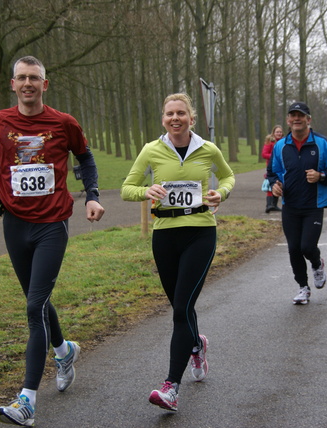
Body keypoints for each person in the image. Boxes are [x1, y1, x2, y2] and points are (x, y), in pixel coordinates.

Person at [0, 55, 105, 426]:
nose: (28, 83)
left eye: (35, 78)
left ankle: (26, 401)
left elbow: (86, 158)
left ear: (45, 84)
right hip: (14, 224)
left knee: (33, 308)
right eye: (21, 77)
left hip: (52, 224)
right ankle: (63, 352)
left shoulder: (63, 123)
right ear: (13, 84)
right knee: (36, 299)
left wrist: (91, 194)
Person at [121, 93, 235, 412]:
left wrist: (220, 193)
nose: (175, 118)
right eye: (170, 113)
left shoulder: (207, 148)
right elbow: (126, 188)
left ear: (191, 118)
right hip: (165, 236)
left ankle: (171, 386)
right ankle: (197, 345)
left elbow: (227, 176)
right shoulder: (151, 151)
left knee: (181, 307)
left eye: (181, 113)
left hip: (200, 232)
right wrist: (146, 191)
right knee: (181, 307)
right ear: (163, 119)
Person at [267, 102, 327, 305]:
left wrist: (321, 175)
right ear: (288, 120)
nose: (296, 119)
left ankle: (317, 264)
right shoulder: (280, 146)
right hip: (290, 205)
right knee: (293, 249)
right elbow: (272, 172)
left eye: (301, 116)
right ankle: (303, 287)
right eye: (293, 115)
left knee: (307, 246)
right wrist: (274, 185)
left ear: (308, 120)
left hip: (313, 205)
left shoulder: (321, 144)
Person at [261, 133, 281, 213]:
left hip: (280, 167)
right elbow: (264, 154)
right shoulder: (270, 142)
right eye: (277, 132)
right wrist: (274, 156)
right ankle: (269, 205)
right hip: (271, 166)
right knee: (270, 185)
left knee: (278, 183)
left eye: (280, 132)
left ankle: (274, 205)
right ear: (274, 133)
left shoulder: (284, 142)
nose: (279, 133)